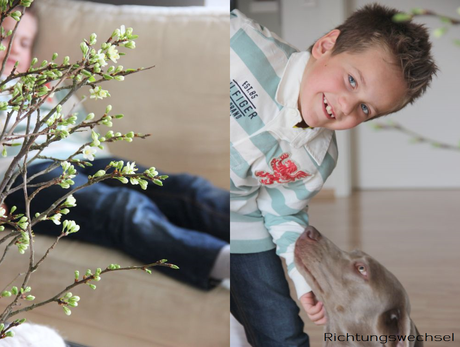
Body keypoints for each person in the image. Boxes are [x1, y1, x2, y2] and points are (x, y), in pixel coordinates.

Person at [230, 4, 437, 346]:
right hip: (172, 179)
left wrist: (303, 275)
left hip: (241, 228)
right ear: (326, 47)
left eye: (365, 109)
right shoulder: (241, 44)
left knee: (282, 336)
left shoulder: (319, 158)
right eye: (351, 81)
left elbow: (282, 211)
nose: (345, 106)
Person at [0, 7, 230, 290]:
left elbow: (86, 133)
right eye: (5, 38)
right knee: (119, 207)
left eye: (24, 44)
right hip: (21, 178)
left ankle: (254, 229)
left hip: (85, 158)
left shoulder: (47, 86)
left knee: (186, 189)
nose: (13, 50)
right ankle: (224, 263)